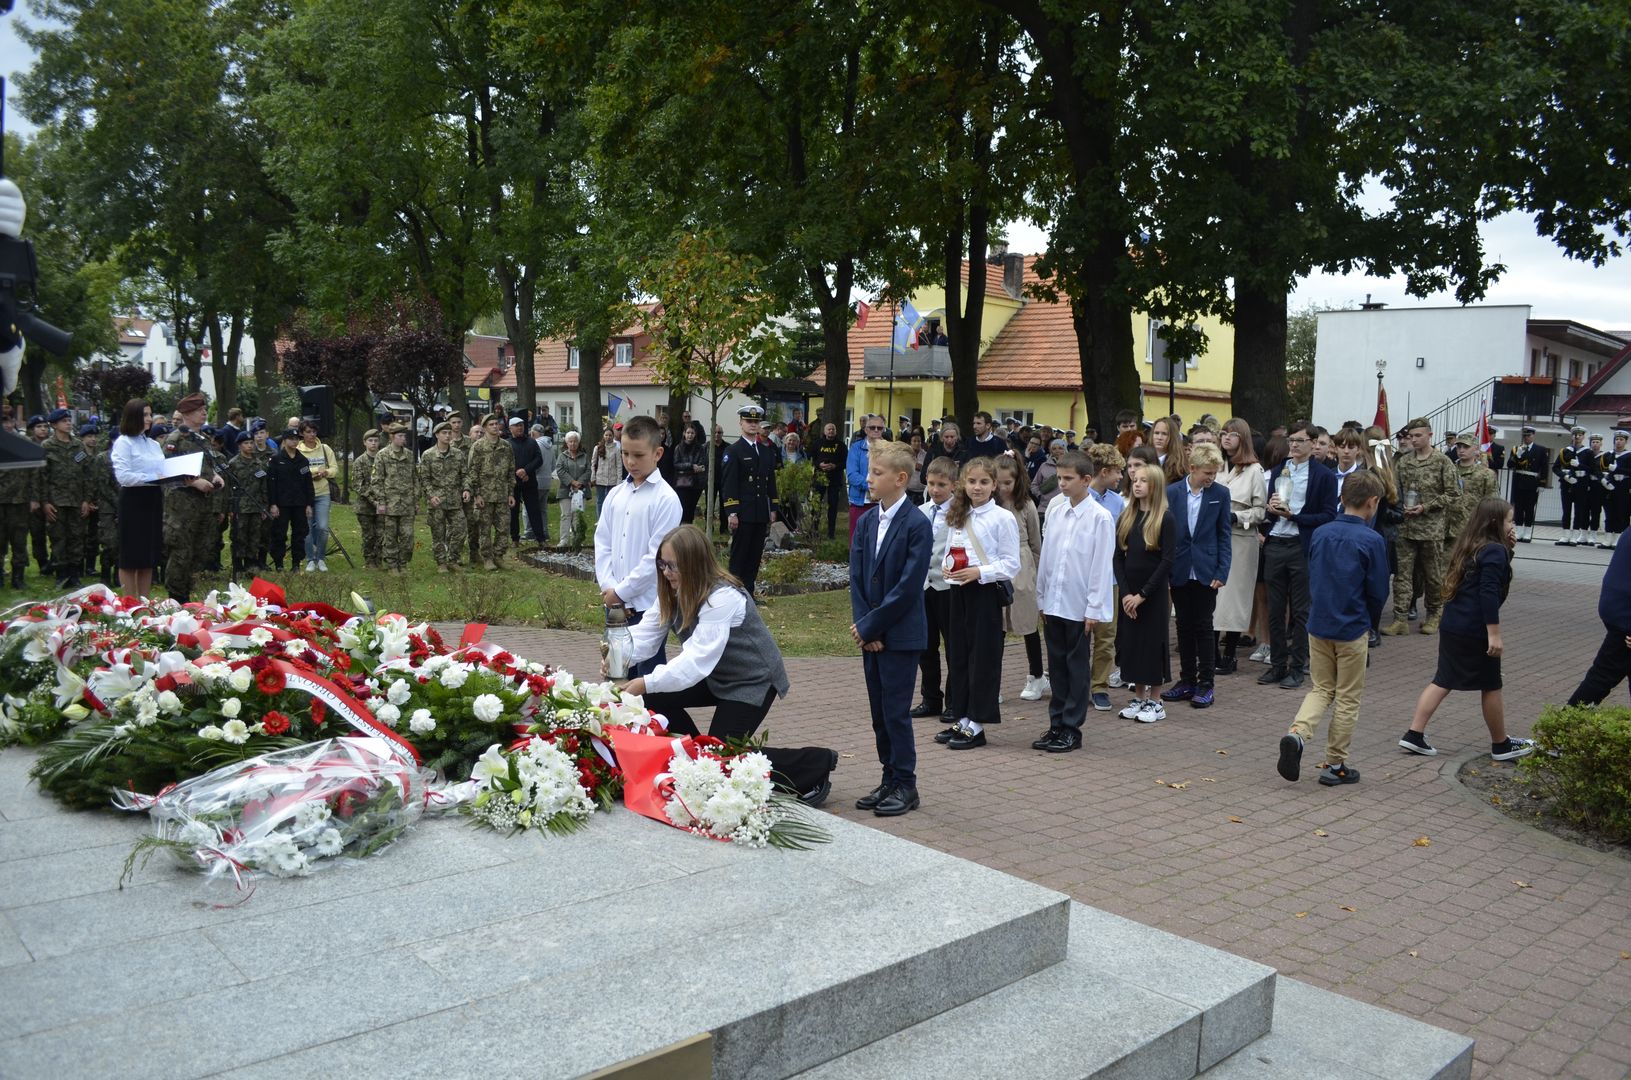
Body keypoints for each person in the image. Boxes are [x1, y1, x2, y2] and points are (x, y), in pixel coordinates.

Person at [1399, 497, 1535, 762]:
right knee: (1491, 684)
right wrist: (1494, 633)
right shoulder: (1494, 551)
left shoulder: (1471, 545)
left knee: (1443, 679)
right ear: (1495, 522)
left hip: (1453, 624)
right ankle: (1501, 744)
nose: (1513, 525)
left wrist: (1508, 550)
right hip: (1474, 629)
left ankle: (1414, 733)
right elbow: (1489, 593)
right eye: (1510, 520)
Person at [1276, 471, 1390, 786]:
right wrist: (1370, 624)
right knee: (1348, 697)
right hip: (1352, 626)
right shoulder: (1372, 539)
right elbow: (1378, 590)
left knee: (1321, 688)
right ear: (1373, 502)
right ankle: (1335, 763)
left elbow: (1313, 571)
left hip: (1319, 622)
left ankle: (1297, 733)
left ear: (1341, 498)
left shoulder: (1321, 533)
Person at [849, 440, 934, 816]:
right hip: (872, 635)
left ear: (900, 479)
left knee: (896, 712)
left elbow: (908, 586)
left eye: (876, 473)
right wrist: (866, 628)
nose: (868, 479)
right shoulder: (867, 521)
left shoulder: (917, 524)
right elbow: (856, 577)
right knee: (879, 713)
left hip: (900, 636)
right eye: (869, 471)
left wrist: (874, 626)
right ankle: (888, 777)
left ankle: (906, 784)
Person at [933, 456, 1019, 750]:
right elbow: (952, 548)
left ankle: (978, 723)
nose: (977, 487)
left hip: (984, 592)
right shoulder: (959, 513)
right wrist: (948, 568)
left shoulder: (1002, 518)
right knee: (958, 654)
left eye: (983, 482)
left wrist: (979, 572)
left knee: (982, 658)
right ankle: (963, 715)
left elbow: (1011, 564)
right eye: (971, 481)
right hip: (958, 590)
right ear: (963, 484)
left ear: (994, 485)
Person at [1033, 449, 1115, 752]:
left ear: (1086, 480)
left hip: (1079, 605)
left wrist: (1093, 607)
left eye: (1068, 478)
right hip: (1054, 601)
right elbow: (1048, 557)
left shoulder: (1100, 518)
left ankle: (1071, 728)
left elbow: (1100, 566)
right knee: (1056, 666)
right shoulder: (1056, 512)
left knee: (1076, 667)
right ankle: (1056, 724)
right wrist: (1042, 597)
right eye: (1059, 478)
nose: (1062, 484)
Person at [595, 415, 682, 678]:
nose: (630, 462)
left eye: (638, 455)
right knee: (615, 673)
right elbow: (603, 543)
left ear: (657, 454)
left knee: (647, 677)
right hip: (614, 601)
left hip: (647, 605)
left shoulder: (666, 499)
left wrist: (623, 592)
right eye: (625, 454)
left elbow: (656, 557)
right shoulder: (615, 495)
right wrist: (610, 589)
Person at [1260, 422, 1338, 688]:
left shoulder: (1324, 476)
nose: (1293, 445)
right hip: (1275, 542)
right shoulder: (1278, 470)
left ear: (1313, 443)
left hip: (1300, 545)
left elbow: (1328, 515)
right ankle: (1277, 665)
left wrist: (1295, 516)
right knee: (1275, 608)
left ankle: (1297, 667)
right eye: (1291, 440)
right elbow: (1269, 508)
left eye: (1300, 440)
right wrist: (1271, 510)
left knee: (1301, 610)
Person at [1161, 443, 1232, 709]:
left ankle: (1206, 684)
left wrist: (1222, 570)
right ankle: (1187, 680)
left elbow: (1224, 534)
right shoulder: (1172, 492)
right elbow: (1166, 532)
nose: (1211, 478)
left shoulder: (1220, 494)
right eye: (1207, 473)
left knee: (1204, 626)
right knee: (1183, 626)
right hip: (1179, 568)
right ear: (1192, 468)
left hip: (1206, 570)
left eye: (1214, 473)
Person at [1383, 417, 1459, 636]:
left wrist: (1426, 507)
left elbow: (1454, 494)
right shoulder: (1404, 462)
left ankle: (1434, 615)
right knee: (1402, 576)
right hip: (1405, 528)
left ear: (1430, 436)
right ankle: (1400, 618)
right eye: (1411, 436)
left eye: (1418, 436)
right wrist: (1398, 507)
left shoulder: (1442, 461)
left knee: (1433, 576)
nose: (1414, 440)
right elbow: (1395, 490)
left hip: (1431, 529)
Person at [1115, 463, 1176, 722]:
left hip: (1152, 594)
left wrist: (1142, 595)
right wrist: (1126, 594)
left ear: (1156, 486)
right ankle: (1139, 697)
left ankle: (1156, 701)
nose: (1137, 484)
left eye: (1143, 481)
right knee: (1132, 644)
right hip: (1129, 594)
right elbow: (1118, 557)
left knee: (1152, 644)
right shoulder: (1127, 517)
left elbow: (1167, 561)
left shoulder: (1165, 518)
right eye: (1135, 480)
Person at [159, 393, 224, 603]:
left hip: (202, 506)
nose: (204, 413)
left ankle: (191, 596)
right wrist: (194, 482)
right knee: (181, 553)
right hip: (181, 508)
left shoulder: (202, 439)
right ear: (186, 414)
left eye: (204, 409)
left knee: (200, 551)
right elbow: (165, 471)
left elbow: (207, 466)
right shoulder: (175, 439)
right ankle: (176, 598)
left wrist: (214, 476)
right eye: (199, 410)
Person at [993, 454, 1048, 702]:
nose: (1004, 488)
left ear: (1017, 480)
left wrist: (1035, 574)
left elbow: (1036, 544)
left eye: (1008, 482)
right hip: (996, 567)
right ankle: (993, 682)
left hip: (1022, 567)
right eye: (999, 482)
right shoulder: (989, 505)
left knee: (1027, 624)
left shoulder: (1026, 505)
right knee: (997, 629)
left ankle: (1037, 675)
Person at [1215, 419, 1266, 676]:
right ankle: (1212, 652)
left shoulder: (1254, 470)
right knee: (1213, 596)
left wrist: (1237, 517)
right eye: (1223, 433)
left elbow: (1260, 511)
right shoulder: (1216, 466)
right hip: (1214, 538)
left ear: (1243, 438)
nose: (1226, 438)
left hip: (1240, 538)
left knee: (1234, 597)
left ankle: (1230, 653)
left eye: (1233, 434)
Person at [912, 455, 959, 722]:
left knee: (954, 647)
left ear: (954, 485)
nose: (935, 489)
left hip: (948, 588)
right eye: (931, 484)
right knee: (925, 646)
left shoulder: (961, 513)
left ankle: (954, 701)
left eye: (941, 484)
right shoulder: (920, 511)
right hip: (923, 587)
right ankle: (930, 698)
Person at [1083, 443, 1127, 711]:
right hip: (1081, 577)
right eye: (1118, 471)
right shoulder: (1078, 497)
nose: (1121, 477)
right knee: (1079, 635)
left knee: (1106, 636)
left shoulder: (1116, 501)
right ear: (1104, 471)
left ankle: (1099, 686)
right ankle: (1078, 683)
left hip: (1109, 578)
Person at [109, 399, 166, 598]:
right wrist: (152, 478)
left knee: (148, 555)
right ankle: (129, 601)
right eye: (145, 415)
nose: (149, 419)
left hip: (153, 499)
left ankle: (144, 600)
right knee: (131, 554)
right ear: (133, 417)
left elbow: (163, 470)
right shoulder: (123, 442)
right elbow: (123, 476)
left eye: (150, 414)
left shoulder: (153, 444)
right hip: (133, 500)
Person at [720, 404, 779, 598]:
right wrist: (732, 512)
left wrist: (773, 506)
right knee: (739, 556)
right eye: (749, 421)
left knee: (754, 557)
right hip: (743, 512)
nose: (753, 425)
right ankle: (734, 595)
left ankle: (749, 595)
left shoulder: (765, 451)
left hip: (760, 511)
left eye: (756, 421)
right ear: (741, 423)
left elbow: (770, 481)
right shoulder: (734, 450)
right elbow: (729, 483)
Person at [1565, 539, 1631, 705]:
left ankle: (1568, 718)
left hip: (1618, 607)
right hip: (1625, 614)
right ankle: (1568, 718)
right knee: (1602, 677)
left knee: (1603, 675)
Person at [40, 407, 89, 589]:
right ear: (54, 425)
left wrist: (86, 499)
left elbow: (87, 474)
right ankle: (61, 574)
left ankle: (74, 574)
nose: (68, 423)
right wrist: (45, 502)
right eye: (64, 421)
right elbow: (42, 476)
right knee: (58, 537)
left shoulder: (78, 446)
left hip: (76, 499)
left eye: (69, 420)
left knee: (77, 537)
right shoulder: (47, 446)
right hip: (56, 501)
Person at [418, 420, 467, 573]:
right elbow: (424, 479)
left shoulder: (458, 454)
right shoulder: (428, 455)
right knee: (438, 534)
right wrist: (431, 495)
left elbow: (465, 475)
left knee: (460, 530)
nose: (447, 435)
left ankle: (453, 559)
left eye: (449, 433)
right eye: (444, 433)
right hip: (437, 501)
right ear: (437, 435)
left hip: (454, 500)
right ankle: (441, 562)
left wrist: (466, 489)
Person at [467, 414, 515, 568]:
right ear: (485, 427)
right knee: (484, 528)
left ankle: (499, 555)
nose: (495, 426)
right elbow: (472, 471)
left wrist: (511, 493)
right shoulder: (478, 446)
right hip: (485, 494)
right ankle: (487, 557)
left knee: (503, 527)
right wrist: (477, 494)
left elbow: (511, 470)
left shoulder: (506, 446)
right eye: (491, 424)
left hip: (502, 494)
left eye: (496, 423)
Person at [265, 430, 314, 573]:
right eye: (291, 439)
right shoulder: (276, 459)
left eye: (296, 439)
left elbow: (308, 484)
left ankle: (296, 563)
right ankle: (279, 563)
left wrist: (309, 504)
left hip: (299, 503)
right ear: (285, 440)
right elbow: (271, 484)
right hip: (281, 503)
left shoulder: (303, 460)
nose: (294, 441)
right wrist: (273, 504)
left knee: (299, 533)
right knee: (279, 534)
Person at [372, 423, 417, 574]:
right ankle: (392, 565)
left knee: (407, 536)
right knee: (390, 536)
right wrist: (381, 501)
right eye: (400, 436)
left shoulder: (409, 455)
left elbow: (415, 478)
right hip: (390, 503)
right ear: (392, 437)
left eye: (404, 436)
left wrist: (416, 499)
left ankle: (403, 564)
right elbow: (377, 480)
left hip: (407, 504)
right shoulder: (382, 455)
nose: (403, 438)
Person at [222, 430, 270, 574]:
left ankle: (251, 565)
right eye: (246, 443)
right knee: (239, 536)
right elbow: (228, 488)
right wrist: (230, 508)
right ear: (239, 445)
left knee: (254, 536)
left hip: (256, 506)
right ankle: (238, 566)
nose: (249, 446)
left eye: (251, 443)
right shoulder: (233, 464)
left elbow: (264, 486)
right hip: (240, 507)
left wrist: (264, 506)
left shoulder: (259, 463)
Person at [1445, 432, 1497, 559]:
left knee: (1470, 564)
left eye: (1466, 447)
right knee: (1448, 565)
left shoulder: (1486, 474)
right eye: (1459, 447)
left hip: (1474, 529)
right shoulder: (1449, 471)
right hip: (1449, 530)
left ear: (1476, 449)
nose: (1461, 450)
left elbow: (1492, 504)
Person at [295, 421, 337, 572]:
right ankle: (310, 559)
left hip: (322, 493)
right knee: (306, 529)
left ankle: (321, 558)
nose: (312, 435)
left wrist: (326, 473)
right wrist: (313, 473)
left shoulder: (325, 448)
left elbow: (334, 469)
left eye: (314, 431)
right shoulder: (297, 450)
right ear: (302, 433)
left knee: (322, 527)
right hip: (304, 495)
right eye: (308, 432)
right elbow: (295, 471)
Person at [1553, 425, 1598, 546]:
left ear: (1583, 437)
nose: (1577, 437)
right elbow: (1555, 467)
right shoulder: (1565, 451)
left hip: (1581, 484)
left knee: (1579, 511)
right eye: (1574, 435)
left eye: (1579, 435)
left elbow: (1593, 470)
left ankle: (1574, 536)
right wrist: (1565, 476)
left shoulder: (1588, 452)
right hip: (1567, 483)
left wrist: (1579, 465)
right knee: (1566, 510)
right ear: (1572, 436)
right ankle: (1565, 535)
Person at [506, 415, 546, 548]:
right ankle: (515, 539)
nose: (519, 428)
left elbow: (539, 459)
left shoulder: (531, 442)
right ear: (510, 428)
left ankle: (540, 538)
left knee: (534, 510)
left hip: (529, 481)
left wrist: (526, 470)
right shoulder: (507, 444)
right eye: (516, 426)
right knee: (513, 511)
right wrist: (518, 472)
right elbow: (504, 463)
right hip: (513, 482)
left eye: (521, 425)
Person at [1506, 425, 1547, 542]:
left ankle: (1528, 532)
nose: (1526, 438)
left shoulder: (1540, 450)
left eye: (1528, 435)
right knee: (1518, 507)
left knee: (1529, 507)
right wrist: (1517, 455)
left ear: (1533, 436)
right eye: (1524, 436)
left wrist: (1542, 483)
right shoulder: (1516, 449)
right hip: (1519, 480)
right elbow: (1509, 465)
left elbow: (1544, 467)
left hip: (1532, 481)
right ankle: (1519, 531)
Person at [846, 414, 882, 539]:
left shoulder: (889, 449)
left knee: (877, 542)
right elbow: (852, 475)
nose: (876, 430)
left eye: (879, 428)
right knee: (857, 540)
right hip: (859, 502)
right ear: (866, 430)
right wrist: (873, 488)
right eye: (872, 427)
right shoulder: (856, 448)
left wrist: (881, 491)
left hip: (882, 504)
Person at [354, 429, 383, 568]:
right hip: (365, 506)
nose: (373, 443)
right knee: (369, 535)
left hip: (382, 503)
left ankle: (379, 559)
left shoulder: (383, 459)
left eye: (376, 441)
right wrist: (374, 501)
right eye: (370, 441)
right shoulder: (360, 461)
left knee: (381, 533)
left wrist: (382, 500)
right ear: (364, 443)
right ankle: (369, 560)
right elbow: (358, 485)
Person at [812, 420, 846, 539]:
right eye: (829, 429)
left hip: (835, 479)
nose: (831, 431)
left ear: (836, 431)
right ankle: (814, 530)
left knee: (833, 505)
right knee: (816, 504)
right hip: (819, 478)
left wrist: (835, 466)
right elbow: (812, 458)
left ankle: (831, 532)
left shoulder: (841, 445)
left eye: (833, 429)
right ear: (824, 431)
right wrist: (819, 465)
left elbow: (845, 462)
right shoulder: (817, 443)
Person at [671, 421, 709, 525]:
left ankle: (688, 528)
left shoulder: (700, 448)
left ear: (695, 434)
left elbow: (702, 464)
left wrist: (697, 468)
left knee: (691, 509)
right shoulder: (679, 448)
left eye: (692, 433)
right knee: (683, 507)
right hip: (682, 483)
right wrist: (691, 466)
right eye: (688, 433)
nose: (690, 435)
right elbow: (676, 464)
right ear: (684, 433)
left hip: (696, 484)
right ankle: (681, 528)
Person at [1603, 428, 1631, 550]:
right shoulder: (1608, 455)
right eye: (1617, 439)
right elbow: (1600, 469)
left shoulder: (1629, 455)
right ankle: (1608, 538)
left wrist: (1617, 469)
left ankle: (1618, 538)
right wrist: (1603, 480)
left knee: (1621, 513)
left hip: (1623, 486)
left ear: (1626, 441)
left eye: (1621, 439)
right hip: (1610, 485)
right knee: (1609, 512)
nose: (1618, 442)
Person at [590, 425, 623, 507]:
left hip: (612, 479)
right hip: (600, 478)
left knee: (610, 501)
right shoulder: (597, 448)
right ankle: (600, 515)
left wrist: (619, 480)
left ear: (613, 436)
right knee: (600, 501)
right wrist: (593, 476)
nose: (608, 437)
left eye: (610, 435)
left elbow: (619, 465)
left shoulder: (616, 449)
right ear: (603, 436)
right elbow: (593, 463)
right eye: (606, 435)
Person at [1150, 416, 1189, 484]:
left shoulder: (1179, 465)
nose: (1159, 437)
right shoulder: (1144, 458)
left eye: (1164, 434)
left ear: (1172, 437)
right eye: (1156, 433)